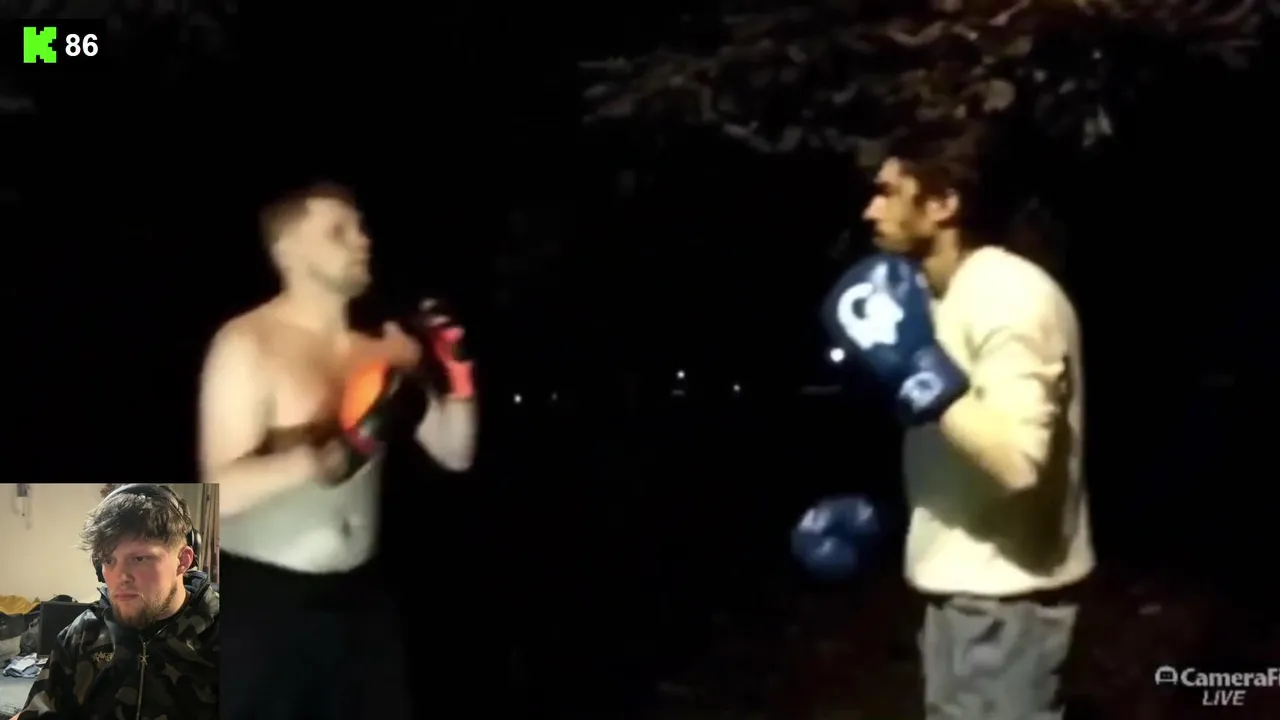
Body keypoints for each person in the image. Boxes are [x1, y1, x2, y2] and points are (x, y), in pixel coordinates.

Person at [810, 118, 1093, 719]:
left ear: (943, 204)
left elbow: (1019, 463)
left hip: (1009, 597)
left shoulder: (1009, 297)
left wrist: (920, 372)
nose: (869, 210)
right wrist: (891, 515)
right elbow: (962, 435)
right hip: (964, 589)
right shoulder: (937, 297)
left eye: (889, 192)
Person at [199, 181, 478, 720]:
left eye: (361, 227)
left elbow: (455, 453)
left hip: (362, 602)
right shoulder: (248, 344)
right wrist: (319, 459)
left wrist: (458, 377)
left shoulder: (382, 351)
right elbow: (217, 493)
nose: (362, 240)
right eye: (337, 231)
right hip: (266, 608)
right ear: (288, 250)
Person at [14, 484, 219, 720]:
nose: (120, 577)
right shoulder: (84, 633)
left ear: (182, 561)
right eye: (109, 560)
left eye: (139, 558)